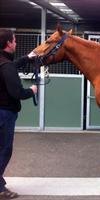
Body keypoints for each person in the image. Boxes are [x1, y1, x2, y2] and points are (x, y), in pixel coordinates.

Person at [0, 28, 37, 199]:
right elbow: (18, 93)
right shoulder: (6, 67)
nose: (16, 42)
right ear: (8, 43)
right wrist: (32, 90)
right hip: (5, 114)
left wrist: (26, 59)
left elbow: (11, 66)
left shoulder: (3, 62)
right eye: (14, 40)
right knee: (5, 150)